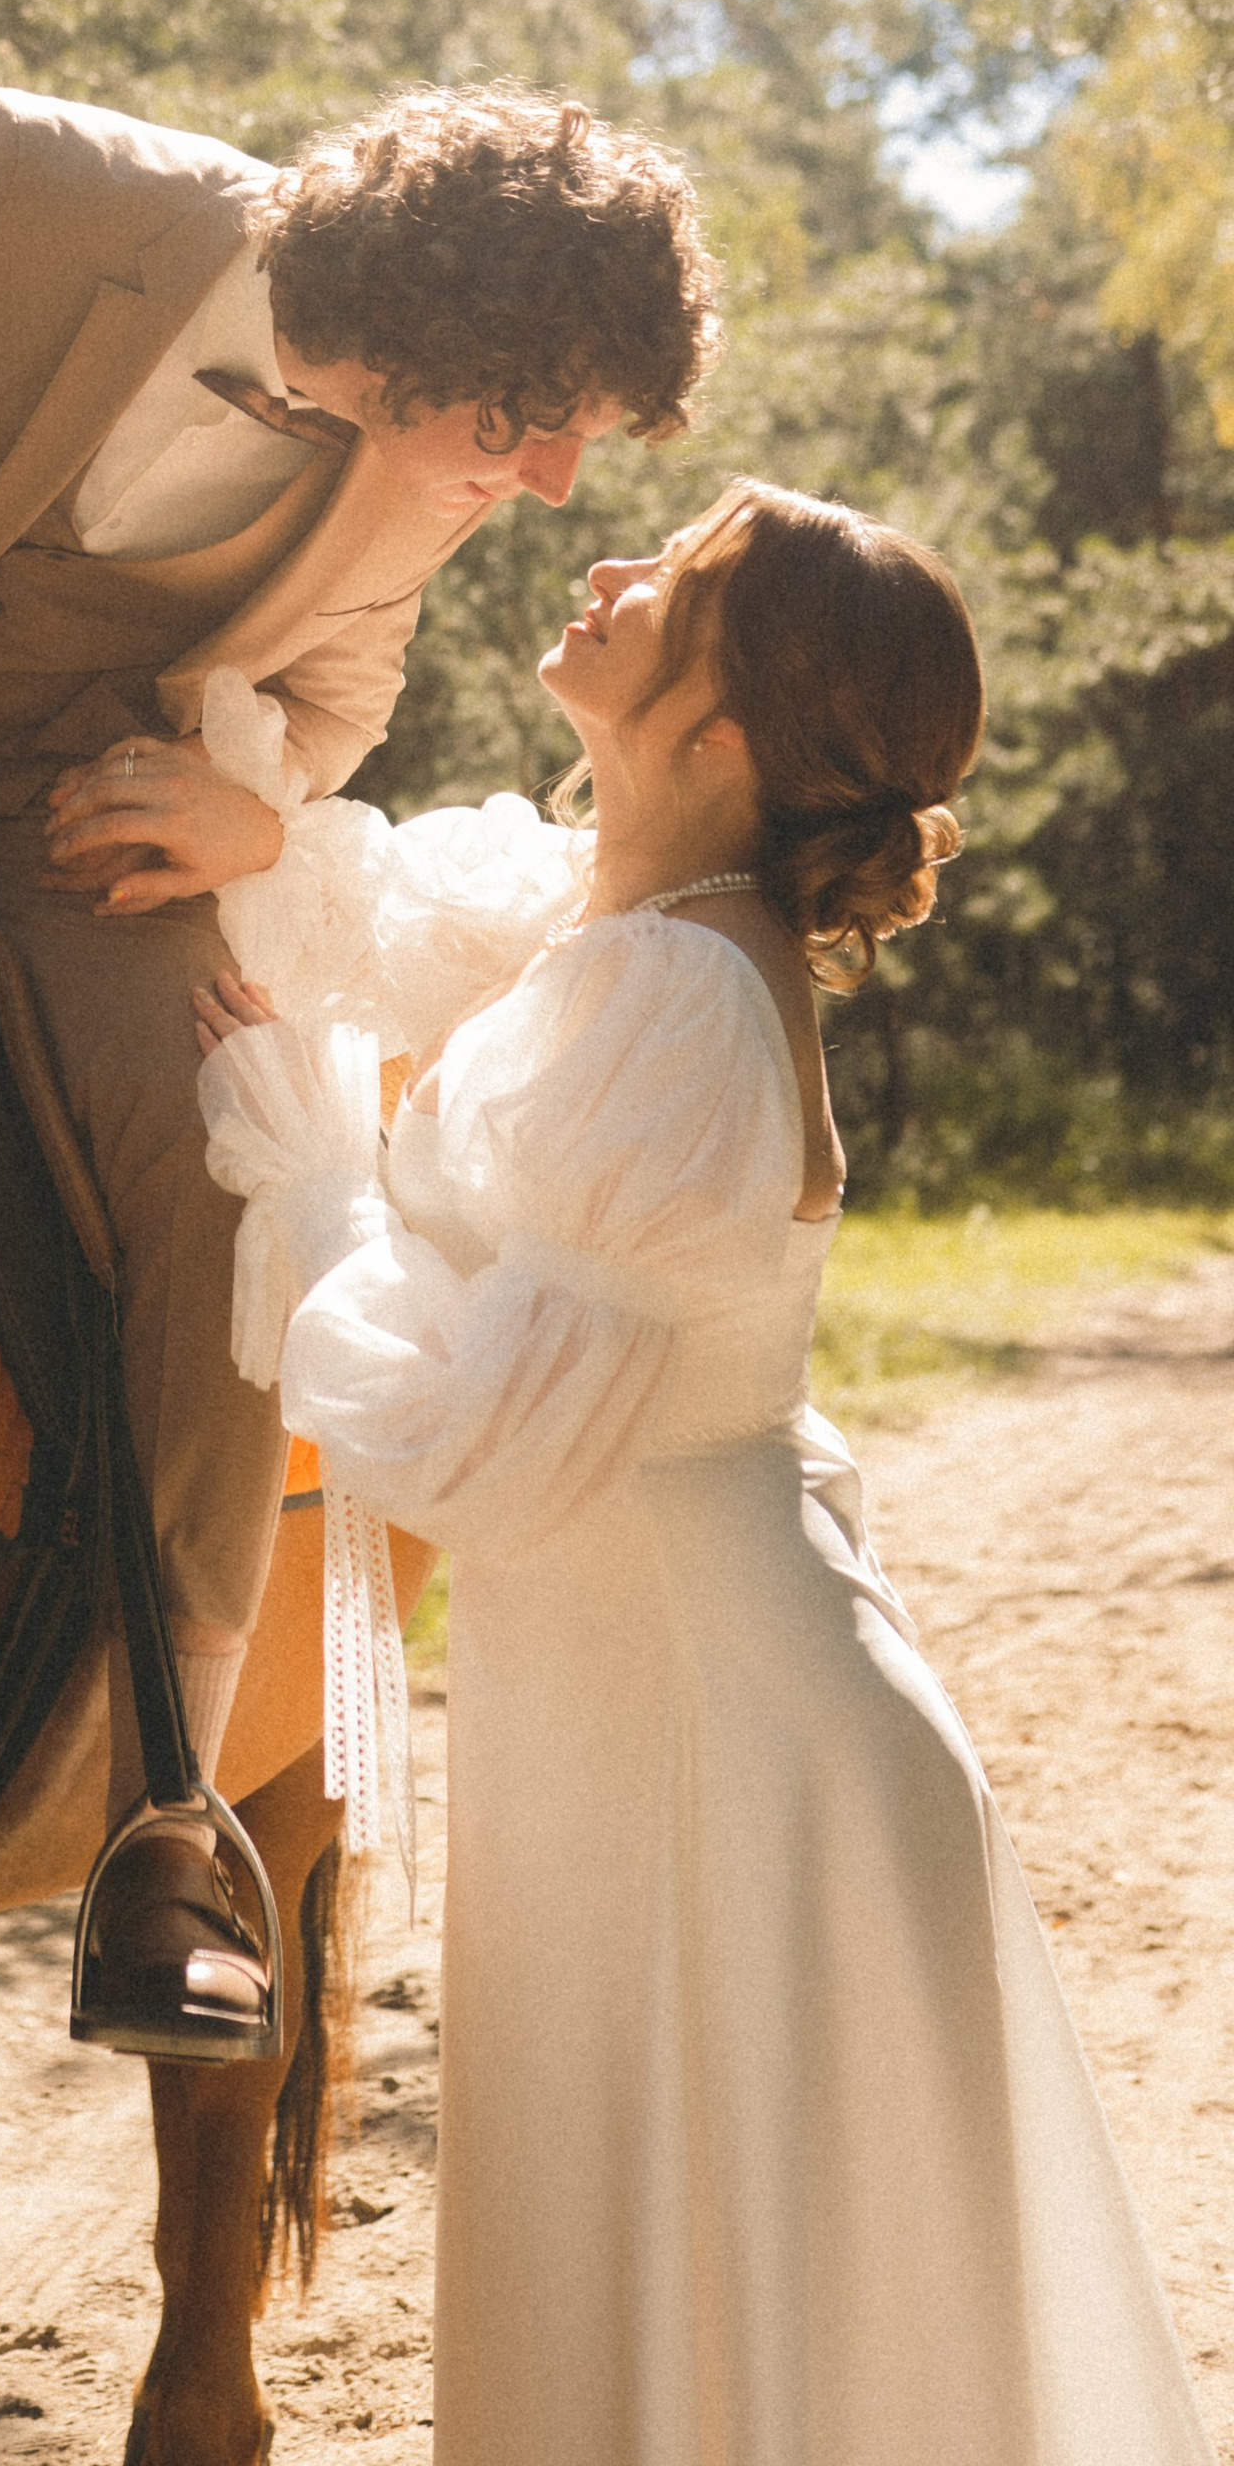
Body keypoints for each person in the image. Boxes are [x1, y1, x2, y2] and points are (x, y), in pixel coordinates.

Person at [0, 76, 719, 2052]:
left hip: (45, 825)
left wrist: (234, 805)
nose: (542, 488)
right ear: (432, 331)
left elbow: (340, 699)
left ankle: (164, 1824)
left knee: (214, 1149)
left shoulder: (411, 467)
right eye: (535, 425)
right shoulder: (10, 184)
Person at [189, 481, 1213, 2461]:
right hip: (654, 1707)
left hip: (720, 1753)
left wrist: (310, 1174)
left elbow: (469, 1450)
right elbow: (406, 920)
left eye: (662, 579)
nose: (602, 571)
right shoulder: (633, 940)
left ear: (719, 725)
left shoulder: (669, 998)